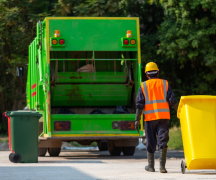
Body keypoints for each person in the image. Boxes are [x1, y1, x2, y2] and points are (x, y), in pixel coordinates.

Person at [135, 62, 178, 173]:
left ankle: (151, 166)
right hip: (163, 117)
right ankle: (162, 167)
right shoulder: (165, 83)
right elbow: (172, 100)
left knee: (150, 141)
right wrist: (179, 112)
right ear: (158, 72)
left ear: (147, 74)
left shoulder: (143, 85)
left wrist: (137, 119)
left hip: (149, 118)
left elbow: (140, 104)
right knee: (162, 140)